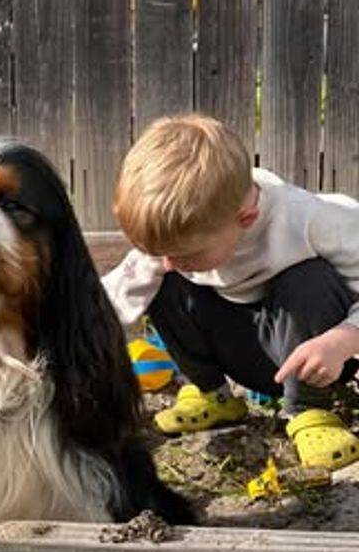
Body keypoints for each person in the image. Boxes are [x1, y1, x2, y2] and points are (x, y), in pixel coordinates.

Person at [103, 114, 359, 471]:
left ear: (246, 219)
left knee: (308, 280)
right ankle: (214, 395)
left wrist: (341, 342)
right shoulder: (184, 241)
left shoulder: (311, 220)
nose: (172, 261)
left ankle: (309, 412)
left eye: (188, 254)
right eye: (162, 251)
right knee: (163, 283)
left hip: (316, 358)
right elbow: (110, 300)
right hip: (245, 351)